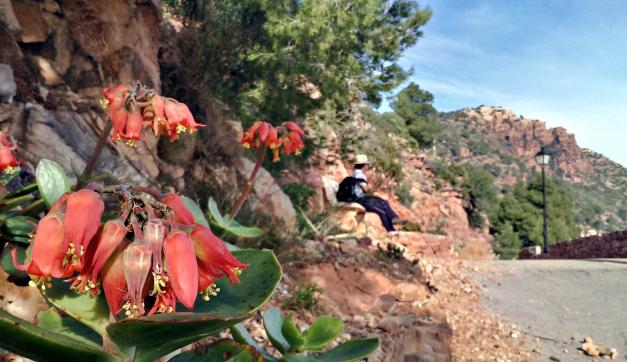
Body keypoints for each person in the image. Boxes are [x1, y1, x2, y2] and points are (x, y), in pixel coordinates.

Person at [337, 154, 404, 232]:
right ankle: (391, 227)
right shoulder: (359, 175)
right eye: (367, 164)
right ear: (364, 165)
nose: (368, 166)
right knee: (381, 210)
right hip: (360, 199)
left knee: (383, 203)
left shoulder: (357, 173)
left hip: (360, 197)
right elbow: (365, 187)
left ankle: (393, 220)